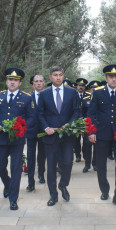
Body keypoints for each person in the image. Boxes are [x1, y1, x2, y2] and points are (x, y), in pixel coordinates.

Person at [0, 67, 35, 210]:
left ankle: (13, 199)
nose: (12, 82)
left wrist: (22, 126)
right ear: (6, 81)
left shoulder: (27, 98)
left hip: (17, 140)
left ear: (20, 83)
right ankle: (7, 184)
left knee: (16, 169)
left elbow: (32, 117)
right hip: (1, 138)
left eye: (15, 80)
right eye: (10, 80)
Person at [88, 64, 116, 205]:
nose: (114, 79)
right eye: (111, 77)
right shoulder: (98, 92)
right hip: (102, 133)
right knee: (101, 164)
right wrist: (92, 132)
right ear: (106, 78)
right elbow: (91, 114)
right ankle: (105, 190)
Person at [37, 66, 80, 206]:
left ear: (63, 76)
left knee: (68, 162)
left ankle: (63, 184)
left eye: (60, 74)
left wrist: (70, 124)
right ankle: (53, 196)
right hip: (50, 136)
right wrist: (46, 127)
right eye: (55, 75)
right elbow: (40, 114)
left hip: (67, 135)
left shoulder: (72, 92)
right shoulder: (44, 94)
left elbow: (76, 111)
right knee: (50, 167)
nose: (58, 77)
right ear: (50, 77)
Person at [25, 75, 47, 192]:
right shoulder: (28, 97)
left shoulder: (48, 96)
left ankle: (41, 175)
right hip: (31, 131)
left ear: (44, 83)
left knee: (42, 155)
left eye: (40, 81)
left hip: (44, 131)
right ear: (33, 84)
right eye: (36, 82)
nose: (38, 83)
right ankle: (30, 182)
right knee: (30, 155)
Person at [81, 80, 99, 172]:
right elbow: (82, 113)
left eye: (96, 88)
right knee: (87, 146)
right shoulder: (85, 100)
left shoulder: (101, 99)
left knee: (97, 147)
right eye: (92, 89)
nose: (94, 90)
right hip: (88, 126)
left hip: (98, 126)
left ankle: (95, 164)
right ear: (89, 90)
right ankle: (87, 165)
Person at [74, 78, 90, 163]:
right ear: (76, 86)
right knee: (76, 140)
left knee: (86, 140)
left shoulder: (89, 96)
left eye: (83, 86)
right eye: (79, 85)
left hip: (86, 122)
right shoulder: (73, 95)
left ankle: (85, 155)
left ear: (85, 87)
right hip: (76, 122)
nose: (81, 87)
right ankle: (77, 155)